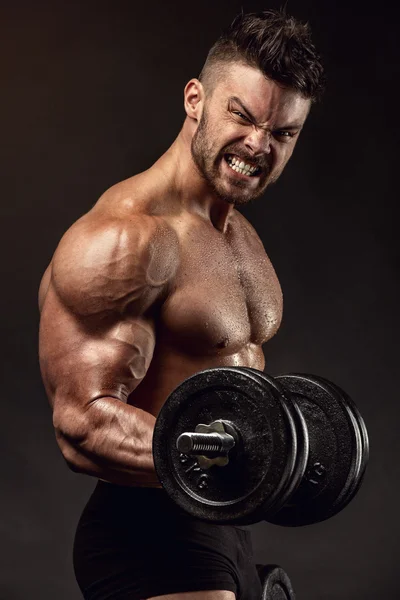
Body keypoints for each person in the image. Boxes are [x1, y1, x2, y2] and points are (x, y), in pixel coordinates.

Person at [39, 8, 324, 600]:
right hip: (149, 531)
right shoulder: (125, 239)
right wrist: (236, 456)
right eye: (241, 116)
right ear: (196, 98)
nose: (258, 144)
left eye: (283, 133)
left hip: (224, 521)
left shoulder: (237, 234)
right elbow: (82, 423)